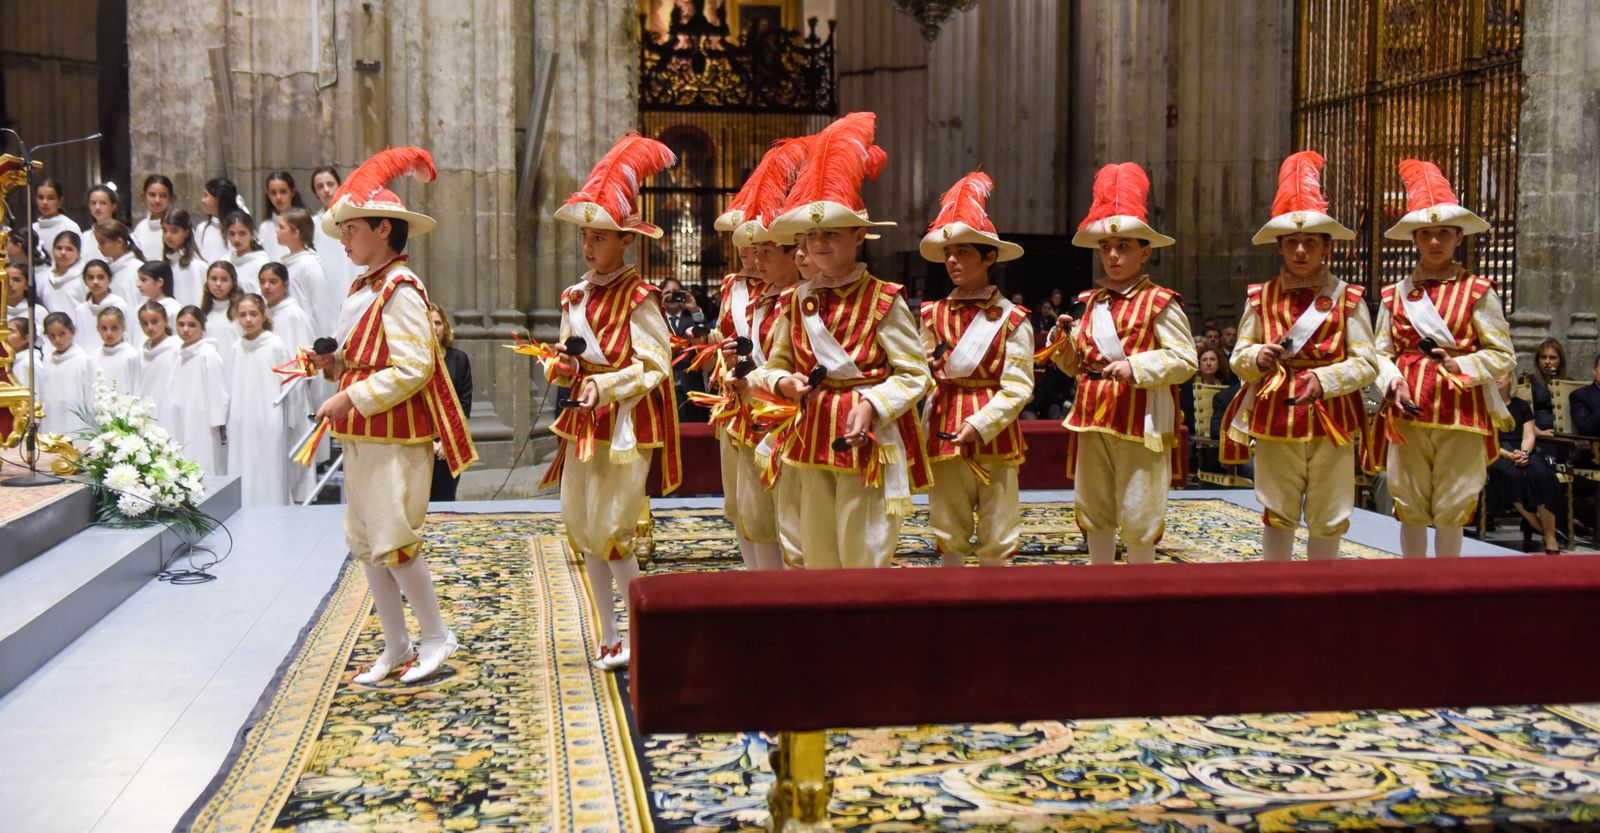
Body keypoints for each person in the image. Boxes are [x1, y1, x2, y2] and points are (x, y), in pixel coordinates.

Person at [310, 147, 476, 684]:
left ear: (384, 228)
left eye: (352, 227)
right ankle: (396, 643)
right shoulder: (365, 287)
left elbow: (414, 367)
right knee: (367, 545)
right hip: (363, 434)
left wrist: (348, 398)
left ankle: (434, 635)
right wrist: (334, 366)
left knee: (396, 542)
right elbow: (371, 359)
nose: (343, 237)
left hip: (393, 435)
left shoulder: (402, 289)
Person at [749, 111, 933, 570]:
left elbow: (915, 375)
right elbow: (774, 364)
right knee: (812, 554)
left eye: (830, 234)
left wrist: (873, 403)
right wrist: (783, 385)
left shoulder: (884, 299)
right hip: (808, 436)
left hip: (866, 439)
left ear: (858, 236)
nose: (819, 245)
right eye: (811, 237)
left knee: (862, 555)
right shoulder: (794, 301)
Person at [541, 132, 680, 671]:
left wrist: (607, 384)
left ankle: (643, 631)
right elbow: (573, 353)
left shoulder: (640, 297)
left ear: (626, 240)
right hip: (583, 421)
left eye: (599, 237)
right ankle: (608, 630)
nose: (588, 246)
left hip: (625, 425)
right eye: (585, 236)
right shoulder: (574, 296)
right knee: (583, 530)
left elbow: (655, 366)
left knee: (615, 530)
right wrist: (564, 365)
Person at [1221, 150, 1377, 561]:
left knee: (1330, 511)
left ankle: (1321, 593)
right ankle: (1278, 588)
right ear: (1281, 246)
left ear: (1326, 246)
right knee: (1277, 506)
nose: (1302, 250)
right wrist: (1257, 357)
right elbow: (1237, 356)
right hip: (1275, 415)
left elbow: (1367, 362)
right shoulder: (1260, 297)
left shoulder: (1349, 298)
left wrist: (1325, 380)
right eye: (1293, 242)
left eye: (1311, 242)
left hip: (1333, 418)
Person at [1047, 162, 1197, 565]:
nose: (1113, 256)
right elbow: (1075, 365)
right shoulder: (1091, 303)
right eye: (1106, 248)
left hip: (1140, 418)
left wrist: (1139, 368)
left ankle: (1139, 588)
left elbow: (1185, 360)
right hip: (1092, 414)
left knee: (1140, 509)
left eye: (1124, 247)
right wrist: (1062, 342)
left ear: (1144, 252)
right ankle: (1100, 583)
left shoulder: (1160, 302)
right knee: (1093, 508)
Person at [1367, 160, 1516, 558]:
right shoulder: (1393, 295)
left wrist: (1461, 366)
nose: (1435, 242)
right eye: (1427, 234)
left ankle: (1447, 586)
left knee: (1453, 506)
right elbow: (1379, 353)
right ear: (1415, 238)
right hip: (1408, 412)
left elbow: (1503, 354)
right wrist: (1392, 381)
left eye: (1444, 234)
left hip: (1461, 413)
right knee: (1409, 504)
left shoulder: (1479, 292)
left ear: (1458, 237)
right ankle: (1413, 583)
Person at [918, 171, 1034, 568]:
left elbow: (1019, 387)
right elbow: (916, 372)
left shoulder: (1013, 318)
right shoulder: (931, 314)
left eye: (963, 252)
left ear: (989, 258)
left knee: (998, 532)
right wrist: (927, 372)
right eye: (948, 253)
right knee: (946, 528)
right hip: (941, 428)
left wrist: (981, 424)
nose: (952, 260)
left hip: (996, 436)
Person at [709, 134, 809, 571]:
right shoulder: (742, 290)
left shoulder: (797, 297)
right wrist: (721, 359)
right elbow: (721, 336)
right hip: (739, 405)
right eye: (749, 247)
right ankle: (759, 583)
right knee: (746, 510)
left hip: (785, 413)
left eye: (764, 249)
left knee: (788, 520)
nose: (753, 255)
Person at [226, 294, 295, 507]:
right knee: (243, 460)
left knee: (268, 461)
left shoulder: (275, 344)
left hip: (268, 413)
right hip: (242, 415)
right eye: (243, 314)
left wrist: (287, 417)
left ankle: (272, 504)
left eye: (253, 314)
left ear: (263, 315)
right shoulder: (237, 346)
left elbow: (287, 382)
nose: (248, 319)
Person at [1486, 371, 1564, 554]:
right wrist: (1509, 455)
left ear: (1510, 378)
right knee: (1513, 475)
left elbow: (1529, 434)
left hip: (1522, 449)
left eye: (1501, 374)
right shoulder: (1484, 406)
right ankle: (1535, 523)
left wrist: (1524, 453)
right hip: (1496, 452)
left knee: (1542, 473)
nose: (1497, 378)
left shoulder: (1521, 405)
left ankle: (1550, 535)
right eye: (1493, 374)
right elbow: (1486, 440)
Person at [169, 306, 229, 476]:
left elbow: (218, 390)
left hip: (203, 421)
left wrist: (219, 423)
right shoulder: (179, 354)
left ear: (202, 327)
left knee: (204, 462)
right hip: (182, 417)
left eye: (192, 325)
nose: (185, 330)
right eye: (181, 324)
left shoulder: (207, 353)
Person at [428, 304, 473, 501]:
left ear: (444, 327)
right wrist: (427, 443)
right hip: (420, 444)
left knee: (445, 500)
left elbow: (464, 405)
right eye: (428, 323)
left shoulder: (459, 359)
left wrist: (447, 442)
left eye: (437, 323)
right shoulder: (412, 362)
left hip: (450, 446)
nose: (434, 327)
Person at [277, 207, 334, 335]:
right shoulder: (285, 262)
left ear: (296, 233)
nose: (277, 231)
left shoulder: (309, 264)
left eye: (281, 227)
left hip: (305, 335)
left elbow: (321, 307)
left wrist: (325, 343)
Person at [38, 311, 96, 436]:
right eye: (52, 336)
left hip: (74, 415)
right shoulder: (47, 359)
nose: (57, 340)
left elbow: (90, 393)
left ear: (72, 331)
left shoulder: (82, 359)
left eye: (61, 334)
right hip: (52, 413)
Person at [309, 166, 357, 296]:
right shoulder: (312, 224)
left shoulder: (355, 219)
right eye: (320, 186)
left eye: (330, 184)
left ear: (339, 186)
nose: (326, 190)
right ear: (315, 192)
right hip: (325, 289)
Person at [72, 260, 134, 351]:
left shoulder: (120, 305)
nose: (95, 282)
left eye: (101, 277)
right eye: (90, 278)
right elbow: (78, 340)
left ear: (109, 279)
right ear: (85, 281)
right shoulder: (81, 310)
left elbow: (130, 335)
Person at [137, 302, 181, 431]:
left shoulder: (177, 347)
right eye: (145, 323)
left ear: (166, 321)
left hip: (170, 409)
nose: (150, 327)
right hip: (147, 411)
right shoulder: (141, 351)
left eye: (155, 321)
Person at [200, 261, 244, 376]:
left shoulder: (241, 312)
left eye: (224, 280)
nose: (218, 284)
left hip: (235, 371)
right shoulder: (203, 314)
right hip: (211, 373)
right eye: (213, 279)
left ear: (233, 282)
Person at [161, 208, 208, 307]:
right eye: (165, 230)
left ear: (186, 233)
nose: (168, 236)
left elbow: (198, 302)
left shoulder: (196, 266)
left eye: (174, 231)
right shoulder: (167, 263)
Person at [94, 219, 145, 304]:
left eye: (102, 242)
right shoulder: (107, 268)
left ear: (119, 242)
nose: (98, 247)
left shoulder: (136, 269)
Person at [91, 307, 141, 393]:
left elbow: (137, 388)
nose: (109, 333)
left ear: (123, 327)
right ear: (97, 328)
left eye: (114, 328)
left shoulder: (132, 355)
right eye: (104, 328)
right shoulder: (92, 357)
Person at [258, 171, 306, 260]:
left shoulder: (305, 223)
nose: (278, 197)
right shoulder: (265, 227)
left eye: (283, 192)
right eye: (273, 193)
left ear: (292, 192)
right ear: (268, 195)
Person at [196, 178, 239, 264]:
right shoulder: (202, 229)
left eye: (206, 195)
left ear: (218, 199)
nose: (202, 200)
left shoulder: (238, 227)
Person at [32, 180, 78, 260]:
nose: (45, 202)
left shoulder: (70, 227)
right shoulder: (33, 228)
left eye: (50, 198)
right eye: (40, 197)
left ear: (60, 201)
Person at [224, 211, 267, 294]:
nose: (236, 239)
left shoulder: (262, 263)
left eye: (242, 233)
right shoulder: (225, 261)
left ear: (251, 234)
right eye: (232, 234)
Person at [132, 175, 174, 258]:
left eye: (162, 196)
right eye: (152, 195)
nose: (157, 200)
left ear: (170, 199)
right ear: (144, 197)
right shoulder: (140, 228)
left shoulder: (179, 227)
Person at [42, 230, 85, 313]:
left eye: (69, 249)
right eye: (59, 248)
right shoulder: (44, 277)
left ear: (78, 254)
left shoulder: (84, 278)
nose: (63, 253)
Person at [1528, 337, 1566, 430]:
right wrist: (1538, 432)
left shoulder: (1567, 382)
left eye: (1552, 358)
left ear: (1560, 361)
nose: (1547, 362)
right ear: (1538, 360)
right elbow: (1522, 415)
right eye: (1543, 357)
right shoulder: (1528, 381)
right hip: (1537, 434)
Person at [78, 184, 122, 263]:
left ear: (113, 207)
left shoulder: (122, 235)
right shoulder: (84, 237)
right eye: (93, 203)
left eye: (103, 203)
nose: (97, 207)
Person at [6, 317, 42, 390]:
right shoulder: (15, 362)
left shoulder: (28, 364)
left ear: (26, 338)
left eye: (10, 332)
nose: (5, 336)